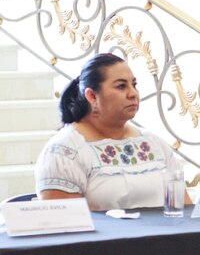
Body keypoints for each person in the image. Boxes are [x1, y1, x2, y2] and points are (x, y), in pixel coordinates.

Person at [35, 53, 184, 211]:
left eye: (134, 85)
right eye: (121, 86)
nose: (133, 93)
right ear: (92, 96)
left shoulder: (154, 144)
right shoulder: (64, 152)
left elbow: (182, 211)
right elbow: (65, 225)